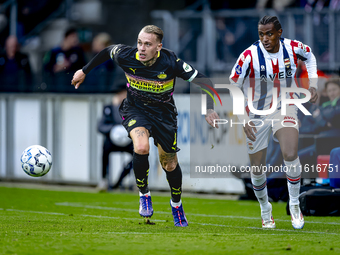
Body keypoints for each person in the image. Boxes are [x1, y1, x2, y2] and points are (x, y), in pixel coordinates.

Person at [71, 25, 220, 227]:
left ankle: (176, 204)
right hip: (135, 110)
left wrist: (209, 108)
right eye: (139, 42)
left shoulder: (171, 61)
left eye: (147, 44)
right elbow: (107, 51)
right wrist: (83, 70)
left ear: (158, 47)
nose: (141, 48)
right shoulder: (126, 55)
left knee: (169, 164)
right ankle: (144, 194)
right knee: (141, 147)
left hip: (164, 117)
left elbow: (204, 80)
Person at [229, 16, 318, 229]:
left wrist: (313, 83)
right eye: (261, 34)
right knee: (258, 169)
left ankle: (295, 205)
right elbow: (233, 85)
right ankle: (265, 209)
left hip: (285, 106)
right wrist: (243, 119)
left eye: (269, 33)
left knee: (290, 153)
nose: (265, 38)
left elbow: (310, 56)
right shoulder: (249, 55)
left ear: (279, 32)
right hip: (256, 113)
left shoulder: (293, 47)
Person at [97, 83, 133, 191]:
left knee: (140, 153)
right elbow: (100, 126)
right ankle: (104, 180)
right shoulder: (108, 108)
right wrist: (113, 129)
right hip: (112, 141)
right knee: (105, 150)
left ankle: (121, 180)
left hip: (128, 140)